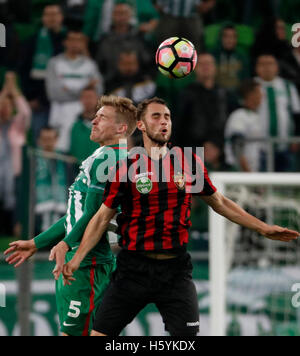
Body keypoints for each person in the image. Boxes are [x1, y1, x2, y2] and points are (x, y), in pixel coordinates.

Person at [62, 97, 299, 337]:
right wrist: (77, 257)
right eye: (156, 116)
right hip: (133, 269)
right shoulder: (126, 167)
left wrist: (262, 228)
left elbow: (220, 203)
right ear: (141, 125)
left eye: (167, 117)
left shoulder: (188, 162)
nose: (164, 122)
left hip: (175, 271)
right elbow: (102, 218)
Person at [4, 95, 137, 337]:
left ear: (121, 128)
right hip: (82, 261)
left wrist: (66, 243)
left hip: (88, 264)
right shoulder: (102, 157)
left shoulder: (109, 159)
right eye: (95, 116)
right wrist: (37, 243)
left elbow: (94, 214)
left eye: (102, 118)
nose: (94, 121)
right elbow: (74, 216)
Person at [46, 30, 104, 153]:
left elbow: (98, 91)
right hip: (60, 115)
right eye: (72, 40)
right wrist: (85, 88)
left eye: (79, 40)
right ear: (65, 42)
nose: (75, 43)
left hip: (84, 117)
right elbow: (54, 93)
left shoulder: (90, 64)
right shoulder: (54, 63)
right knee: (61, 154)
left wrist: (69, 90)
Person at [18, 4, 66, 144]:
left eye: (55, 14)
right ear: (43, 18)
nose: (51, 18)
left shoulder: (70, 40)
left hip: (64, 102)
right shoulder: (32, 41)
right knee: (40, 140)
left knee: (63, 141)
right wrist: (30, 97)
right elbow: (24, 70)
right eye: (48, 15)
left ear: (61, 17)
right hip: (39, 102)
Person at [177, 53, 232, 148]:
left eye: (209, 63)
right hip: (192, 149)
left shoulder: (224, 94)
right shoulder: (186, 94)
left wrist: (216, 144)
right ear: (195, 68)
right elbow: (179, 126)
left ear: (215, 68)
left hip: (221, 149)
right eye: (201, 64)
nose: (205, 67)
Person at [255, 54, 300, 171]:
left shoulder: (288, 86)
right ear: (256, 68)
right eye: (262, 64)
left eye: (270, 64)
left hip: (285, 145)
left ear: (277, 67)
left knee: (286, 184)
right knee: (262, 185)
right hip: (259, 147)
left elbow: (297, 114)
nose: (266, 67)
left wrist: (296, 138)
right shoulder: (252, 86)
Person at [0, 72, 31, 236]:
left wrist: (14, 90)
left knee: (17, 204)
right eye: (2, 106)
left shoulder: (17, 126)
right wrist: (6, 89)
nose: (5, 109)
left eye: (8, 106)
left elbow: (25, 112)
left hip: (16, 174)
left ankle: (15, 230)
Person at [95, 2, 152, 85]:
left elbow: (148, 63)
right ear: (112, 16)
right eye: (117, 13)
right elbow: (99, 66)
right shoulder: (104, 40)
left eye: (124, 13)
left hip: (138, 85)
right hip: (111, 85)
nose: (121, 17)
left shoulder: (140, 38)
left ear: (130, 16)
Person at [225, 79, 265, 172]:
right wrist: (247, 172)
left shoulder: (256, 116)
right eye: (259, 92)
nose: (262, 95)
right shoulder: (239, 115)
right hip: (239, 173)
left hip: (254, 172)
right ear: (250, 95)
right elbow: (236, 146)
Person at [35, 127, 68, 235]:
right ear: (39, 140)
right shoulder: (32, 158)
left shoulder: (64, 159)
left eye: (50, 139)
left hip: (61, 206)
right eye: (45, 139)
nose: (48, 142)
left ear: (56, 139)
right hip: (37, 207)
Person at [211, 24, 250, 92]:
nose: (229, 40)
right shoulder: (212, 56)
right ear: (220, 38)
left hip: (238, 96)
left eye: (233, 37)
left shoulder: (242, 57)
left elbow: (246, 79)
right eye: (226, 36)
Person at [69, 87, 100, 163]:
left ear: (97, 99)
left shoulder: (105, 124)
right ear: (80, 100)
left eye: (90, 97)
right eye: (85, 97)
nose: (88, 100)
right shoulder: (74, 125)